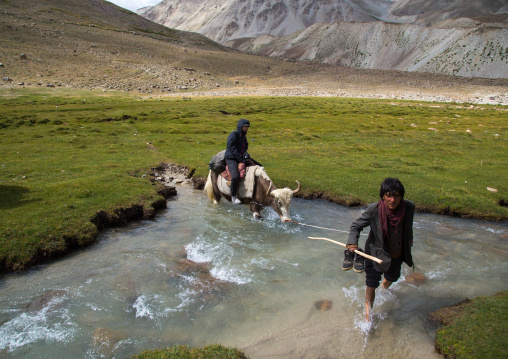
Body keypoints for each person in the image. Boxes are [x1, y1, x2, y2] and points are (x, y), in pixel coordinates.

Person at [345, 177, 415, 321]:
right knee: (371, 284)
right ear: (383, 196)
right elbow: (356, 226)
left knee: (392, 278)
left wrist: (409, 240)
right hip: (374, 254)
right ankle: (367, 318)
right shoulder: (374, 209)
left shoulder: (409, 207)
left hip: (397, 254)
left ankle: (384, 287)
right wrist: (352, 243)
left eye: (396, 196)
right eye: (388, 195)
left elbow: (409, 226)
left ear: (401, 196)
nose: (392, 200)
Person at [224, 118, 261, 205]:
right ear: (240, 126)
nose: (246, 128)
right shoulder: (234, 135)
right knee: (235, 176)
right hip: (231, 158)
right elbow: (232, 148)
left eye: (247, 127)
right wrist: (241, 158)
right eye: (245, 127)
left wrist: (245, 154)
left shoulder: (243, 137)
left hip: (240, 157)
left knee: (260, 166)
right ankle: (233, 196)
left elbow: (244, 148)